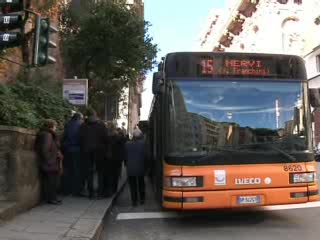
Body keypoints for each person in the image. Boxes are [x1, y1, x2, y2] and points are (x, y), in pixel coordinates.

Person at [79, 109, 108, 199]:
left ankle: (91, 192)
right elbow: (105, 138)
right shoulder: (101, 125)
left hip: (87, 151)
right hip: (99, 151)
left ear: (87, 116)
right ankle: (100, 192)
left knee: (89, 172)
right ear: (95, 115)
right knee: (100, 172)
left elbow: (81, 138)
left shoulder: (83, 125)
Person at [35, 119, 63, 205]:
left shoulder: (47, 134)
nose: (56, 128)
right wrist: (50, 160)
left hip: (50, 161)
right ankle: (51, 198)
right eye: (55, 126)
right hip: (50, 162)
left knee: (52, 181)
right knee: (51, 181)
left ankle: (53, 197)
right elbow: (45, 149)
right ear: (51, 126)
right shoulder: (47, 135)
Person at [61, 112, 83, 196]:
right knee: (76, 171)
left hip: (67, 150)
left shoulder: (67, 124)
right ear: (79, 118)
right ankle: (76, 190)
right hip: (77, 150)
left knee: (67, 170)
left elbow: (64, 136)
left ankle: (66, 190)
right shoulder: (80, 125)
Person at [124, 129, 146, 206]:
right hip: (140, 167)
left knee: (132, 185)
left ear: (133, 136)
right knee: (141, 183)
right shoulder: (143, 144)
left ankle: (134, 201)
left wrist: (126, 164)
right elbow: (146, 156)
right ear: (140, 136)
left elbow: (125, 156)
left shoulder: (127, 144)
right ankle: (142, 199)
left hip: (130, 168)